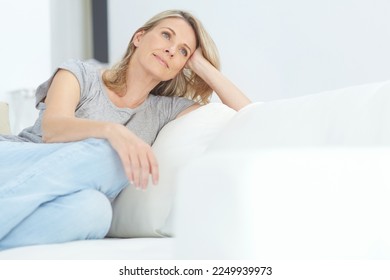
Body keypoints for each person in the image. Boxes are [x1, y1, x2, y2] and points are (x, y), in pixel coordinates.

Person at [0, 9, 251, 250]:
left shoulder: (163, 110)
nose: (171, 49)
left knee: (96, 212)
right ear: (139, 37)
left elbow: (249, 115)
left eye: (182, 51)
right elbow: (52, 128)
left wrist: (200, 64)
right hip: (12, 161)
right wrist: (112, 131)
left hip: (51, 194)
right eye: (166, 35)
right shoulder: (81, 74)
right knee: (111, 153)